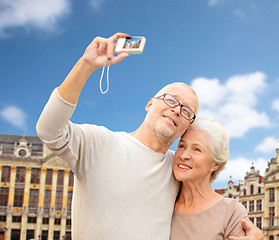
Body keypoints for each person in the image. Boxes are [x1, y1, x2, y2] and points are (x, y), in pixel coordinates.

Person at [36, 33, 263, 240]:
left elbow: (208, 203)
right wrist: (85, 66)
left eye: (186, 111)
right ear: (149, 103)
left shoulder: (177, 169)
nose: (176, 109)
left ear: (186, 127)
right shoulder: (100, 142)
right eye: (170, 100)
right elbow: (49, 130)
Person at [170, 118, 249, 239]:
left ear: (215, 164)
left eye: (197, 149)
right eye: (181, 146)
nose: (184, 155)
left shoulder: (231, 212)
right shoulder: (164, 201)